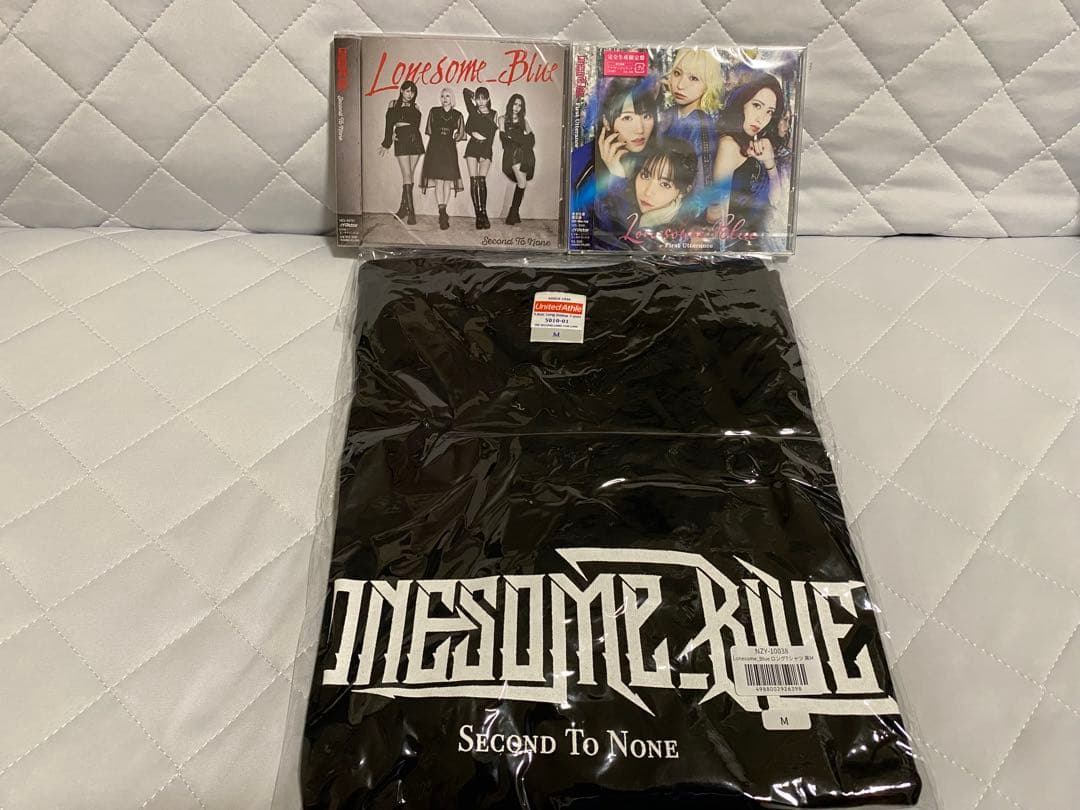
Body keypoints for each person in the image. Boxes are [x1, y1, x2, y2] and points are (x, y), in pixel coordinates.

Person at [706, 74, 786, 250]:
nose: (761, 119)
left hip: (758, 239)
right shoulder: (728, 145)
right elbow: (716, 217)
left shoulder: (756, 144)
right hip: (737, 245)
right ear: (741, 102)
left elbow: (775, 201)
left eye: (769, 112)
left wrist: (770, 163)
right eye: (757, 105)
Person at [597, 139, 697, 245]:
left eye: (665, 184)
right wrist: (617, 180)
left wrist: (646, 226)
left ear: (684, 191)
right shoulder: (624, 198)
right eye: (645, 176)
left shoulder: (687, 233)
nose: (648, 192)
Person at [660, 48, 722, 211]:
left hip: (679, 213)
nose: (680, 85)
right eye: (677, 73)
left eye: (693, 78)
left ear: (708, 85)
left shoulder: (700, 125)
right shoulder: (669, 115)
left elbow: (702, 185)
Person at [377, 80, 424, 225]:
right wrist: (387, 141)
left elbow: (415, 126)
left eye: (413, 92)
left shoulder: (415, 106)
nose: (410, 94)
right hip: (401, 140)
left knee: (409, 175)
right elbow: (389, 124)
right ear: (402, 91)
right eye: (407, 91)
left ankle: (404, 209)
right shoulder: (393, 104)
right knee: (407, 175)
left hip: (415, 140)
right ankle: (411, 213)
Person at [420, 87, 465, 230]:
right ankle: (442, 213)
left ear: (452, 98)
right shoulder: (434, 111)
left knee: (447, 181)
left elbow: (461, 133)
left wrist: (455, 136)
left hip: (449, 149)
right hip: (435, 148)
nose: (445, 99)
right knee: (439, 181)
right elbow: (430, 130)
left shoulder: (458, 115)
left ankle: (443, 211)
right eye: (442, 96)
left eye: (447, 96)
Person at [463, 87, 498, 230]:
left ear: (488, 99)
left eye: (484, 98)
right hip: (472, 147)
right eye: (478, 98)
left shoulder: (494, 113)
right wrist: (473, 133)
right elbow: (465, 92)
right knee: (474, 180)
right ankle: (478, 216)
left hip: (485, 148)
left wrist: (486, 150)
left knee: (481, 181)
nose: (481, 101)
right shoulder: (473, 110)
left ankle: (484, 214)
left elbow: (492, 135)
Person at [499, 94, 534, 225]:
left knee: (522, 183)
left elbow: (531, 139)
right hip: (511, 155)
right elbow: (504, 139)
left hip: (523, 154)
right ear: (510, 104)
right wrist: (519, 140)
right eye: (515, 104)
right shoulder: (502, 119)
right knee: (522, 183)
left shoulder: (523, 121)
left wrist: (517, 140)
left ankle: (514, 213)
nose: (517, 107)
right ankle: (512, 213)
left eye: (520, 105)